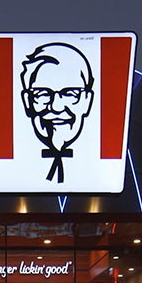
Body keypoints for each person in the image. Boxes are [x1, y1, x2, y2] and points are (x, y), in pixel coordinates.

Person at [20, 43, 94, 183]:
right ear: (27, 101)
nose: (56, 106)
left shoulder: (99, 172)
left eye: (70, 94)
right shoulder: (15, 173)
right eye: (42, 94)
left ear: (87, 100)